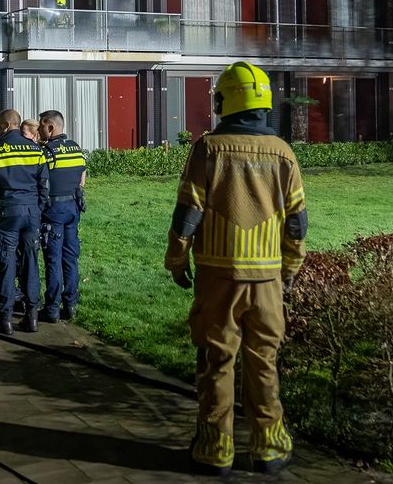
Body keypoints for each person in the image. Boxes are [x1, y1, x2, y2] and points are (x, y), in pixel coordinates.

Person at [165, 61, 307, 476]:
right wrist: (291, 267)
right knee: (264, 361)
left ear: (226, 101)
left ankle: (214, 450)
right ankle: (269, 449)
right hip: (266, 279)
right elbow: (296, 221)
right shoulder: (283, 152)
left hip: (217, 276)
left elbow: (188, 211)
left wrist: (176, 259)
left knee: (216, 362)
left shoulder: (208, 148)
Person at [0, 109, 49, 335]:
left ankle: (6, 319)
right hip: (32, 214)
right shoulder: (36, 149)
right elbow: (44, 187)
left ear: (8, 124)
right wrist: (37, 209)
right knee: (31, 263)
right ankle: (32, 317)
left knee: (7, 264)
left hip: (7, 214)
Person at [37, 110, 86, 323]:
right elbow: (82, 178)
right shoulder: (76, 149)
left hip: (53, 211)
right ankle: (71, 304)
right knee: (70, 258)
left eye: (41, 126)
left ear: (51, 127)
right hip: (73, 209)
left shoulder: (47, 152)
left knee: (53, 259)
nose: (38, 130)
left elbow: (38, 181)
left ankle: (52, 309)